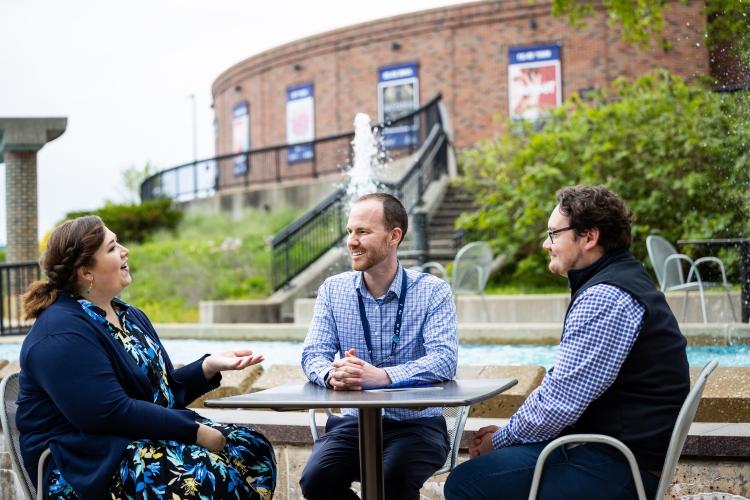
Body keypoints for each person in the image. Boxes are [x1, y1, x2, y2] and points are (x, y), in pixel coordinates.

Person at [445, 185, 690, 500]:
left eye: (553, 234)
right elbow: (564, 395)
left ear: (588, 237)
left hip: (619, 467)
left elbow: (561, 401)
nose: (546, 244)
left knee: (467, 482)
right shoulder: (622, 279)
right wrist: (509, 437)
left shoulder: (605, 296)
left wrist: (501, 441)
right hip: (615, 452)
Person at [17, 215, 277, 499]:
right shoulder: (60, 334)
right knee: (207, 476)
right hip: (86, 462)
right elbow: (108, 413)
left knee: (252, 448)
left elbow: (162, 395)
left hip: (134, 437)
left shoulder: (130, 317)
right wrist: (195, 432)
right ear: (85, 272)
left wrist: (207, 366)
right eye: (113, 247)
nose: (125, 251)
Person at [299, 193, 458, 500]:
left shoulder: (433, 291)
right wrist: (333, 376)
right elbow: (312, 354)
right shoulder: (333, 291)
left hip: (417, 424)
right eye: (350, 232)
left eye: (363, 232)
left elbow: (444, 360)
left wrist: (382, 377)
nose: (352, 241)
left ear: (394, 236)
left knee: (392, 481)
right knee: (315, 481)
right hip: (352, 424)